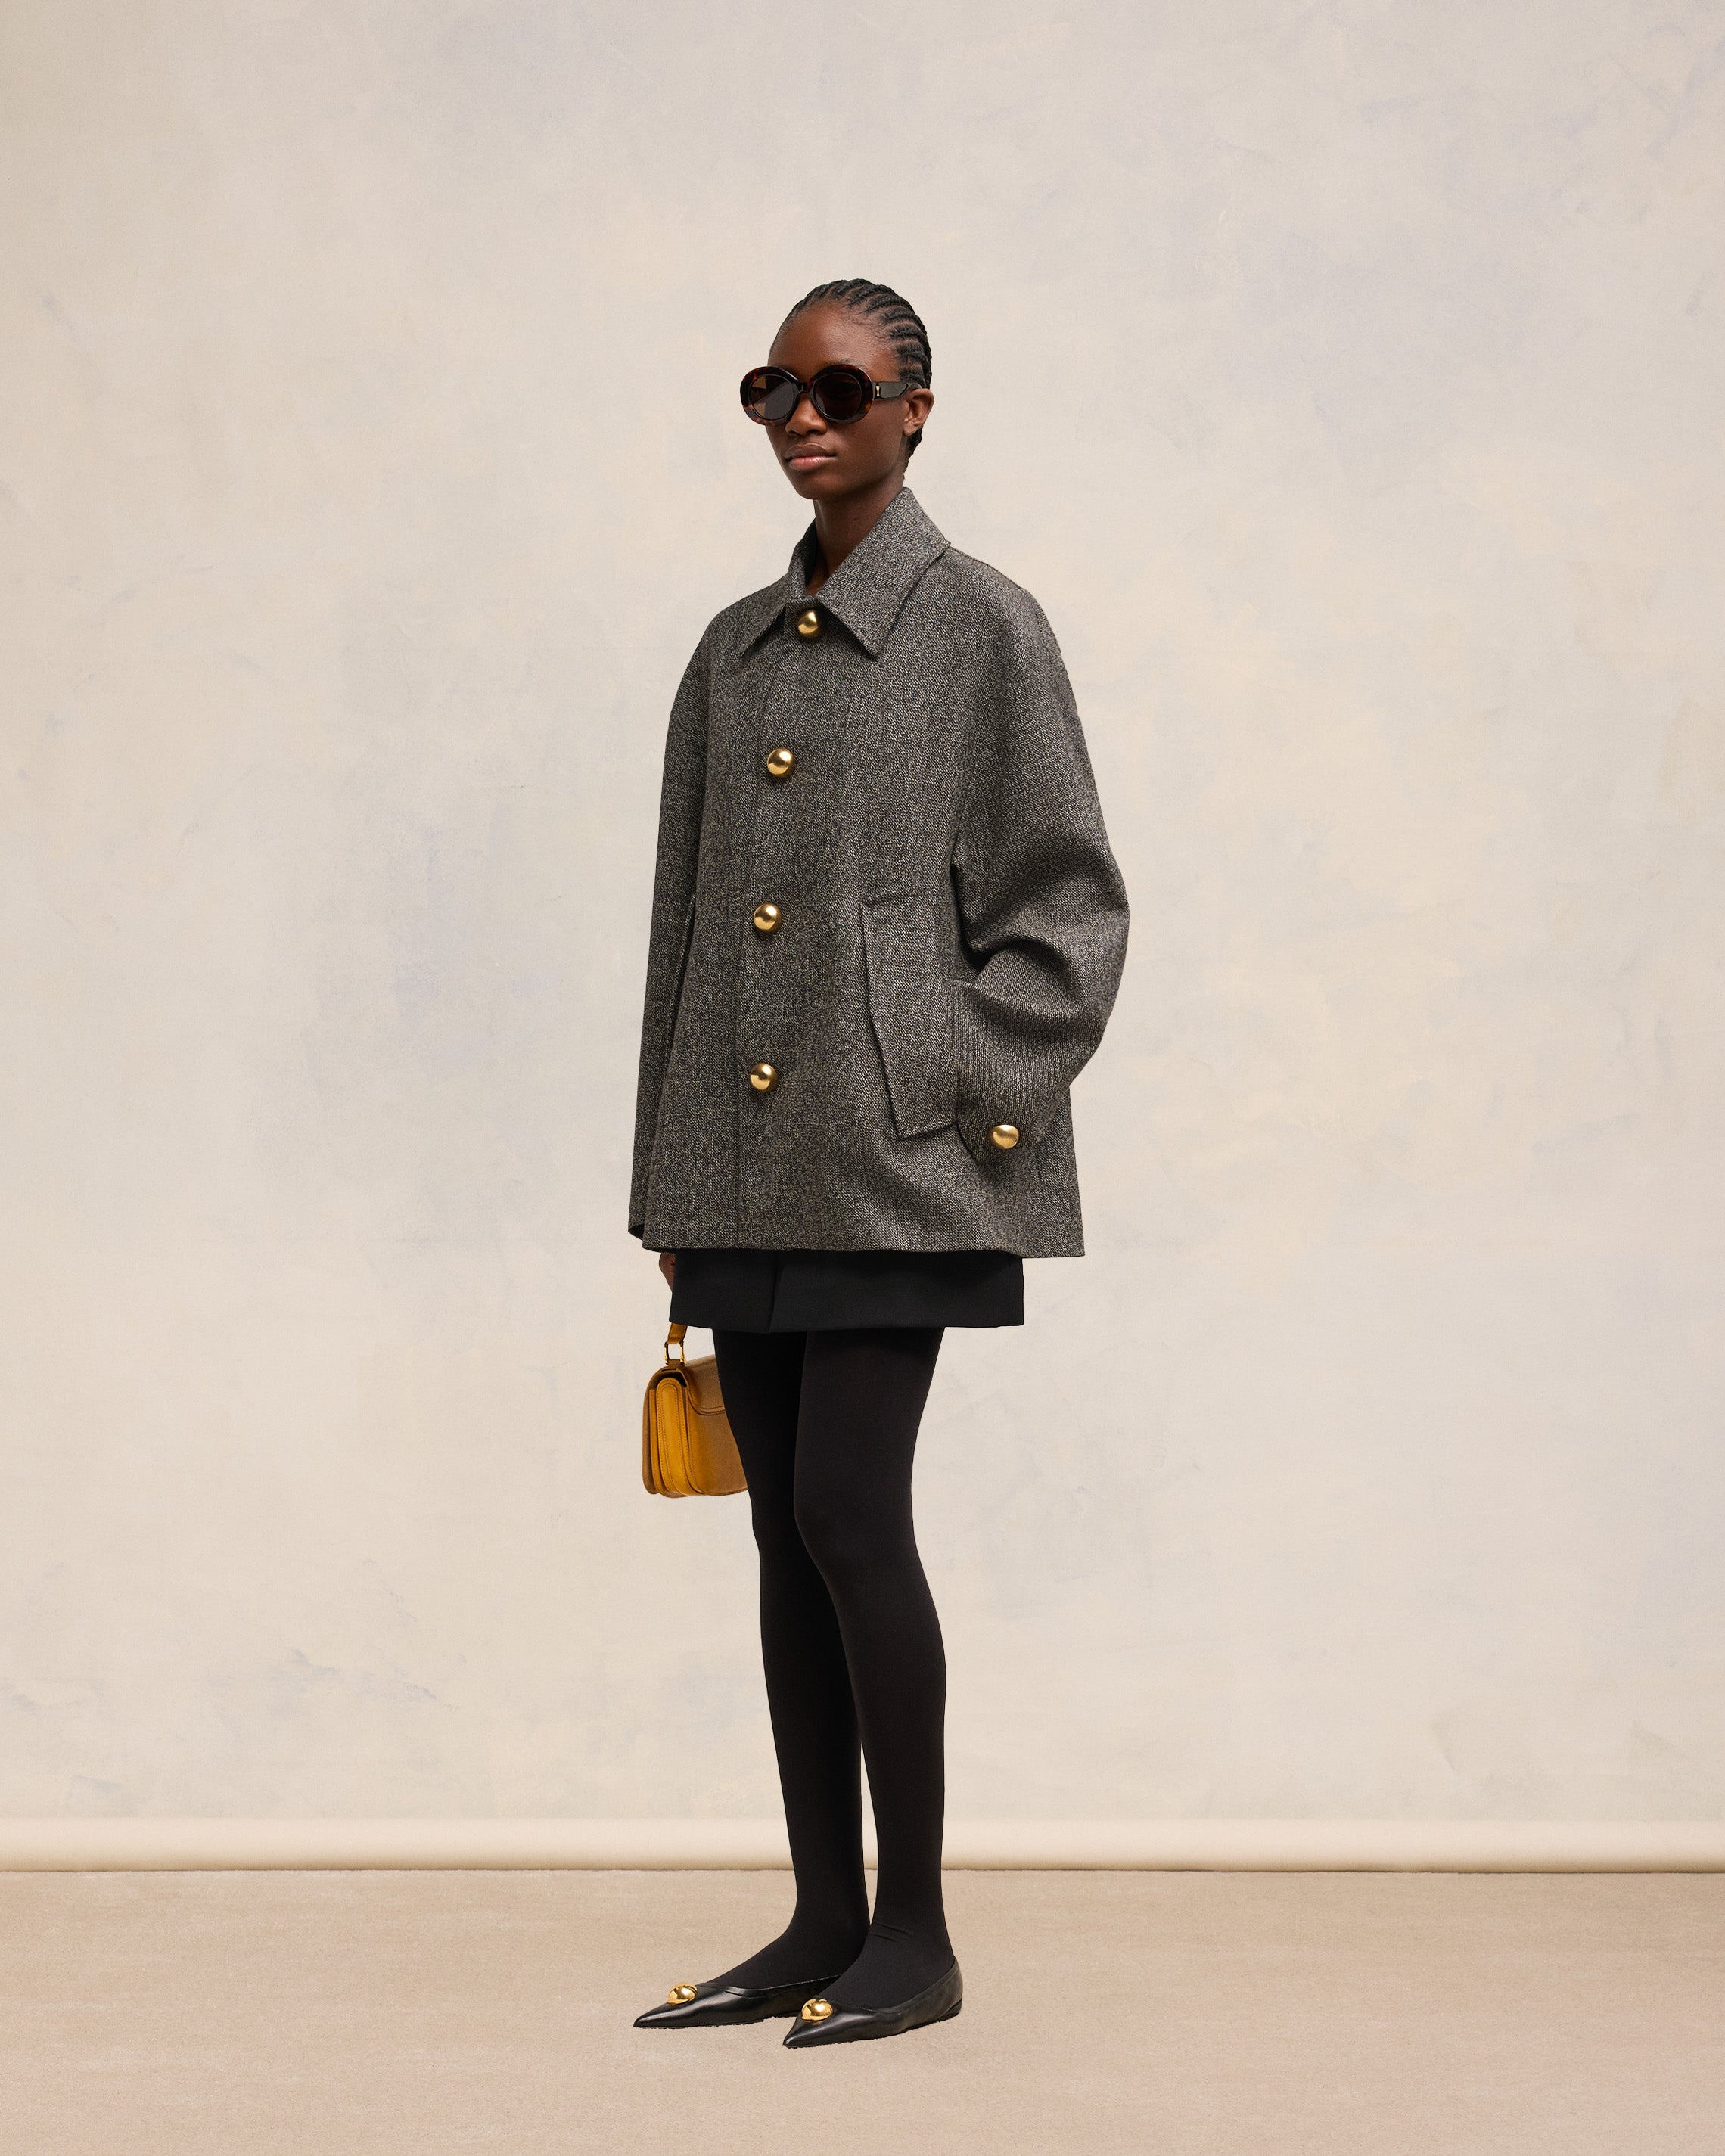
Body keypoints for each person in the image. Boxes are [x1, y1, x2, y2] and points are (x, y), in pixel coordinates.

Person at [628, 278, 1128, 2048]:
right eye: (775, 389)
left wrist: (949, 1083)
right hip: (742, 1164)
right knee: (786, 1536)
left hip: (898, 1166)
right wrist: (669, 1180)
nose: (804, 419)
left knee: (850, 1513)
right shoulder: (729, 652)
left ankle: (914, 1931)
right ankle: (821, 1918)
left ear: (916, 407)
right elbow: (687, 931)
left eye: (840, 389)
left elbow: (1068, 910)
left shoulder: (985, 628)